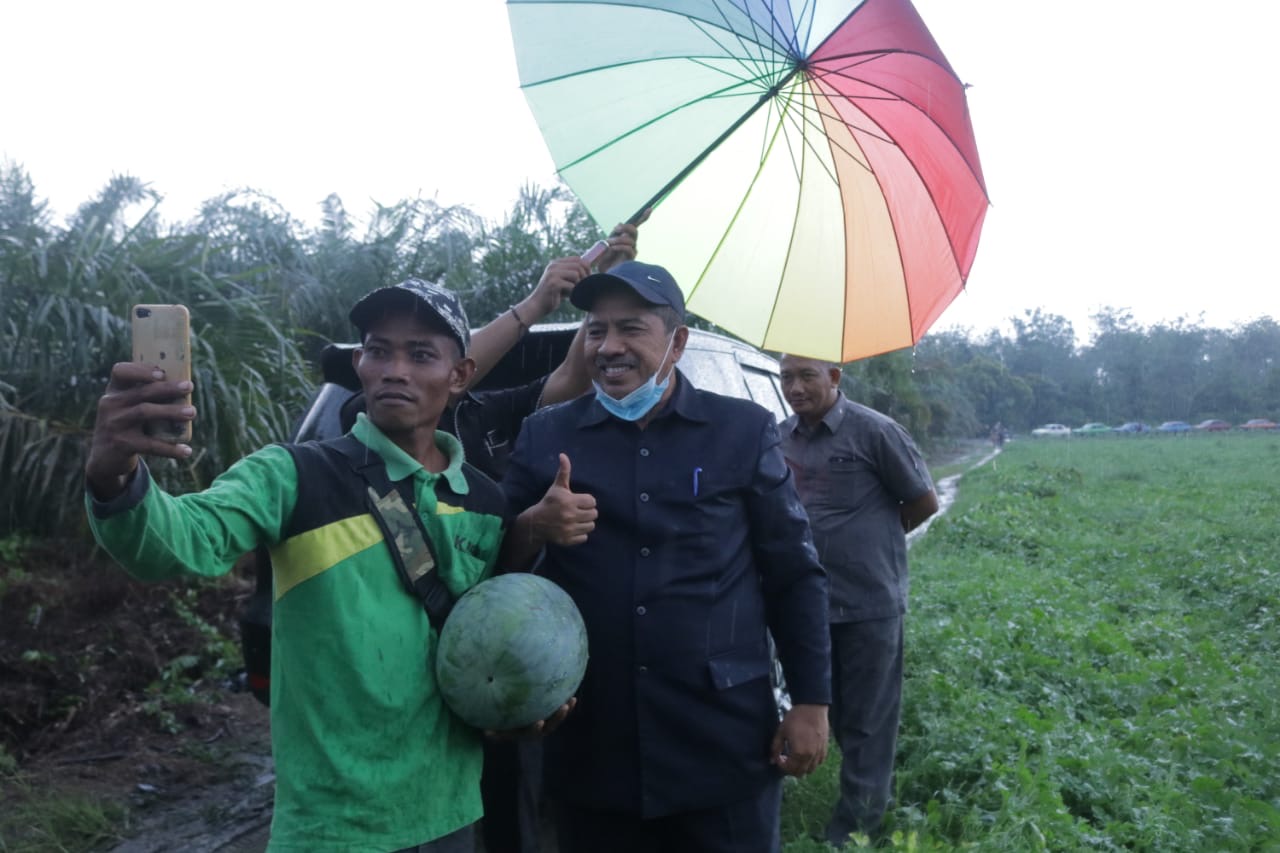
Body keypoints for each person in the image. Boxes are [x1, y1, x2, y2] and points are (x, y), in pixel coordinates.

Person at [85, 279, 568, 852]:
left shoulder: (484, 502)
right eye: (377, 349)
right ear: (360, 364)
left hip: (448, 813)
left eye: (420, 354)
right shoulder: (292, 476)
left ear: (459, 375)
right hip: (329, 826)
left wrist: (520, 705)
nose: (394, 369)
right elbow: (174, 542)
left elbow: (478, 644)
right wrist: (112, 473)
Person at [501, 261, 832, 853]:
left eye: (631, 329)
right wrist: (532, 527)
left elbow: (793, 572)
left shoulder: (741, 430)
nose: (609, 347)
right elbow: (489, 568)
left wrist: (810, 701)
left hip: (721, 737)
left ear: (677, 341)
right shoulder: (545, 438)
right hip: (592, 741)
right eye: (596, 331)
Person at [777, 354, 939, 847]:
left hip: (869, 603)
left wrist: (871, 541)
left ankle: (856, 833)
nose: (795, 387)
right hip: (805, 609)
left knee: (868, 723)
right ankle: (868, 797)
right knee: (832, 713)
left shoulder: (876, 432)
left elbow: (923, 501)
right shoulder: (779, 438)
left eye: (807, 375)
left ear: (834, 377)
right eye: (787, 377)